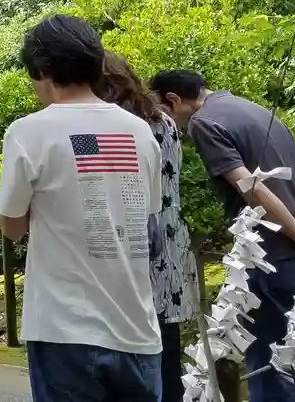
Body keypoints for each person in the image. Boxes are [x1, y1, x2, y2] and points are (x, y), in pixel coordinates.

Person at [0, 15, 163, 402]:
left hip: (64, 330)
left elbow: (12, 227)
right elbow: (147, 219)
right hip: (137, 329)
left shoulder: (28, 132)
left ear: (41, 70)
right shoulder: (140, 132)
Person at [147, 70, 295, 402]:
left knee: (270, 365)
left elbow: (251, 188)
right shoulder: (259, 112)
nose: (173, 125)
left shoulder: (203, 123)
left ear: (174, 100)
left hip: (267, 257)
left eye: (166, 114)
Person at [96, 53, 196, 402]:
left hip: (132, 239)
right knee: (166, 343)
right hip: (170, 236)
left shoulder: (113, 128)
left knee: (126, 346)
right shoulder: (163, 121)